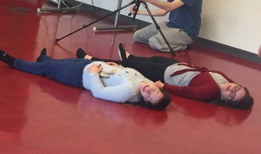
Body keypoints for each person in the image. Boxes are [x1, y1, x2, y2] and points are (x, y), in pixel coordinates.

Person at [77, 44, 253, 109]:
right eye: (237, 88)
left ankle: (91, 59)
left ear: (226, 101)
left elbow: (186, 92)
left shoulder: (210, 91)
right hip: (178, 67)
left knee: (130, 67)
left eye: (232, 95)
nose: (231, 88)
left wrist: (164, 87)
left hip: (169, 76)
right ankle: (130, 56)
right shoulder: (226, 81)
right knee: (150, 59)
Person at [0, 49, 170, 109]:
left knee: (47, 69)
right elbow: (130, 74)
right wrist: (119, 67)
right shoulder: (147, 81)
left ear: (145, 102)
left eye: (148, 97)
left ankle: (14, 62)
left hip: (81, 75)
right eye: (154, 91)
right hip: (89, 65)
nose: (148, 90)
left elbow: (99, 92)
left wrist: (93, 73)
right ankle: (43, 58)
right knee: (62, 62)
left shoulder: (128, 92)